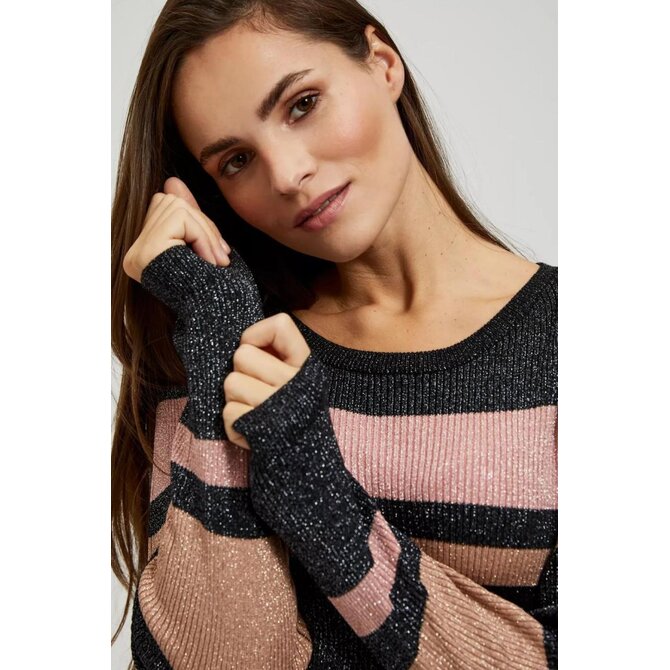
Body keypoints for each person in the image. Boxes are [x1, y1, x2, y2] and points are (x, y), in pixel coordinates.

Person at [111, 1, 557, 668]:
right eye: (236, 160)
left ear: (382, 62)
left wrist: (308, 479)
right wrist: (216, 330)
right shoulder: (221, 350)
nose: (286, 174)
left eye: (302, 105)